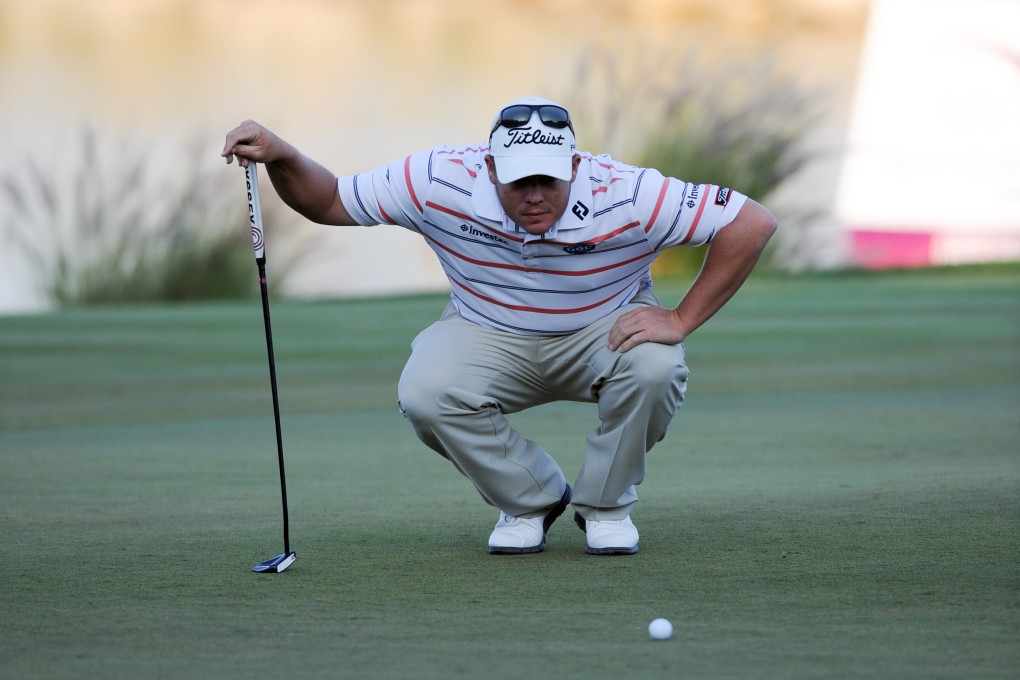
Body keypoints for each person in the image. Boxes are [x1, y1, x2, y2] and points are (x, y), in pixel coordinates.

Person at [221, 96, 776, 556]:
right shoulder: (440, 178)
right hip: (485, 329)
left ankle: (606, 506)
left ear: (576, 167)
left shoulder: (628, 192)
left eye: (548, 181)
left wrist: (680, 318)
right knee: (425, 391)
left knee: (656, 366)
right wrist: (282, 155)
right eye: (518, 182)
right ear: (489, 168)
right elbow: (332, 201)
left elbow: (750, 222)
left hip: (602, 328)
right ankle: (531, 499)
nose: (535, 197)